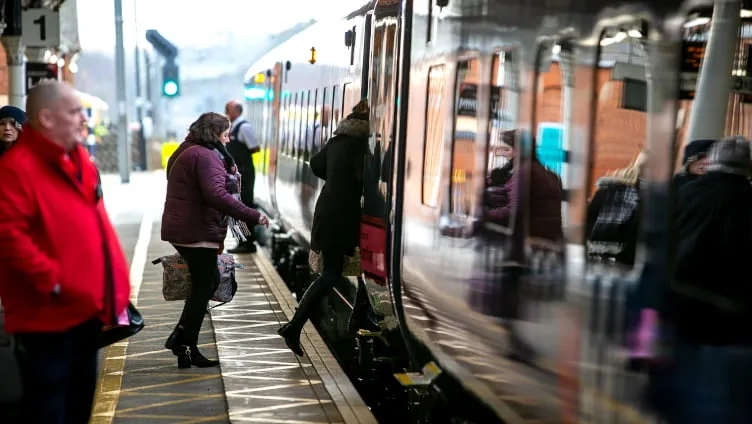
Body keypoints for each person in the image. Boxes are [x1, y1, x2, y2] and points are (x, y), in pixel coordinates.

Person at [0, 80, 131, 423]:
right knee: (49, 412)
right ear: (46, 118)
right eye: (74, 112)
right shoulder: (17, 169)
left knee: (78, 409)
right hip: (47, 319)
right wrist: (54, 282)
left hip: (84, 312)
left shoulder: (78, 162)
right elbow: (7, 234)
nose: (82, 120)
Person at [161, 112, 268, 368]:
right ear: (214, 133)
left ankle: (181, 341)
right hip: (196, 231)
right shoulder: (205, 156)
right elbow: (217, 195)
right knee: (205, 286)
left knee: (207, 283)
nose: (228, 139)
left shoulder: (188, 149)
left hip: (188, 228)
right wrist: (252, 215)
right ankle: (186, 345)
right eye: (225, 133)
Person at [662, 136, 752, 423]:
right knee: (727, 394)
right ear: (748, 168)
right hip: (731, 314)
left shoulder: (682, 194)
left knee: (682, 381)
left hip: (680, 304)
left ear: (712, 161)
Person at [278, 100, 370, 356]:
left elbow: (316, 165)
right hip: (343, 216)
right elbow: (368, 180)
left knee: (357, 270)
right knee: (331, 274)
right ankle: (294, 326)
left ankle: (358, 319)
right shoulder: (364, 147)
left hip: (327, 210)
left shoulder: (338, 141)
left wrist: (337, 177)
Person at [224, 100, 260, 253]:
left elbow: (255, 147)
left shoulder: (244, 127)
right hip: (237, 174)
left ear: (236, 111)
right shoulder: (232, 128)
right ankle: (242, 241)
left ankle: (248, 242)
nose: (226, 113)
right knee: (238, 207)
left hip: (244, 173)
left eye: (228, 110)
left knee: (244, 206)